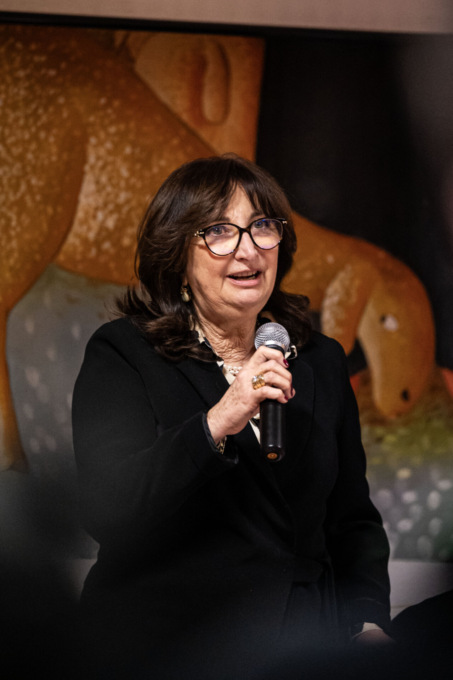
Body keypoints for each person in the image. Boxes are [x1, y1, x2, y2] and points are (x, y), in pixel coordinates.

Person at [72, 154, 393, 679]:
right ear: (177, 254)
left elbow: (351, 517)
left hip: (300, 649)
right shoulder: (124, 353)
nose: (248, 249)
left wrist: (367, 618)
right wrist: (219, 420)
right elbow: (107, 509)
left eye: (262, 226)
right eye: (219, 231)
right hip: (166, 649)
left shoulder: (321, 360)